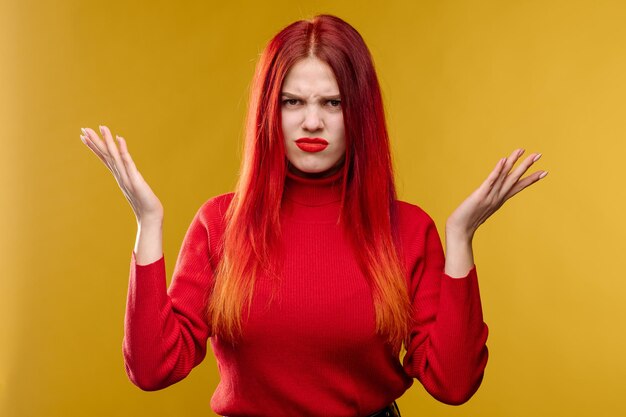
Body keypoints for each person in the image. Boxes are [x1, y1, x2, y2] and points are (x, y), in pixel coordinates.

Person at [80, 14, 547, 417]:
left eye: (332, 102)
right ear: (269, 111)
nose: (311, 122)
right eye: (292, 102)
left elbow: (454, 385)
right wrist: (148, 224)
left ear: (359, 112)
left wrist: (461, 238)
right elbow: (151, 368)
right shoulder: (219, 223)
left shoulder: (407, 229)